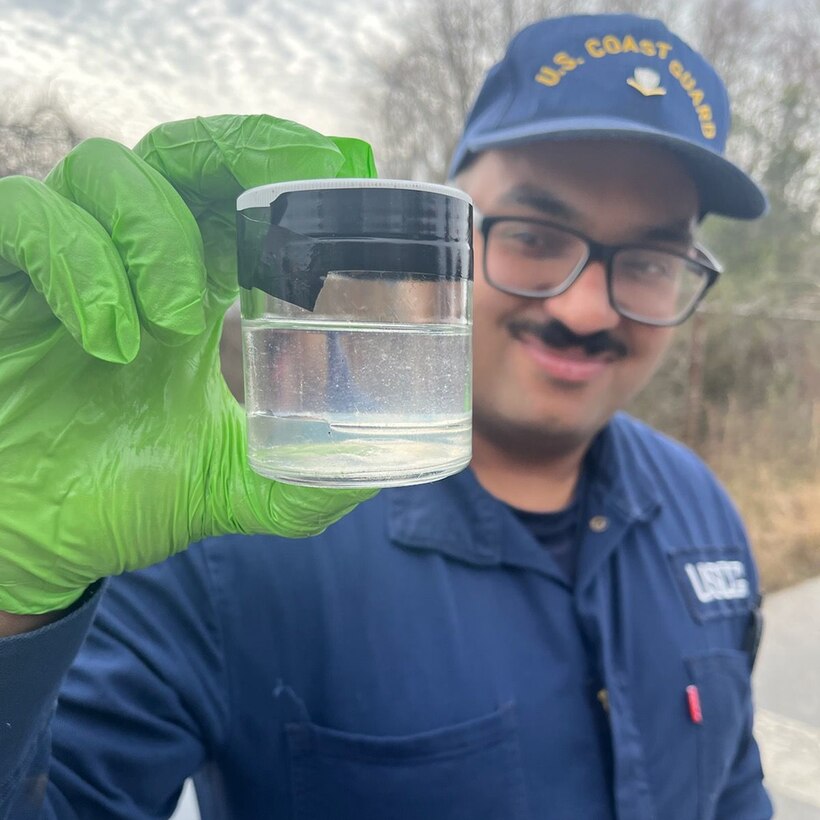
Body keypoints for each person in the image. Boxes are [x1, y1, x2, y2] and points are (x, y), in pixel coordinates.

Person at [0, 12, 773, 820]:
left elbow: (733, 790)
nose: (583, 311)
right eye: (536, 235)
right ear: (442, 236)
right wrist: (11, 596)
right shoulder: (226, 541)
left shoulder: (702, 508)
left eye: (649, 260)